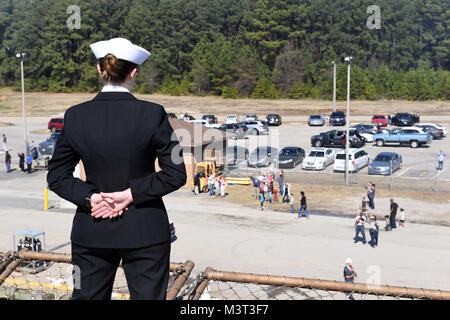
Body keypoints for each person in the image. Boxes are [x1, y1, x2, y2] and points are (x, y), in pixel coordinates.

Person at [46, 38, 187, 300]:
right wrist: (131, 195)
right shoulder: (154, 114)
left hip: (91, 230)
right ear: (134, 72)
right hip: (146, 231)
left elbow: (56, 175)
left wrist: (91, 198)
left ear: (100, 70)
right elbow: (176, 173)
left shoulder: (75, 116)